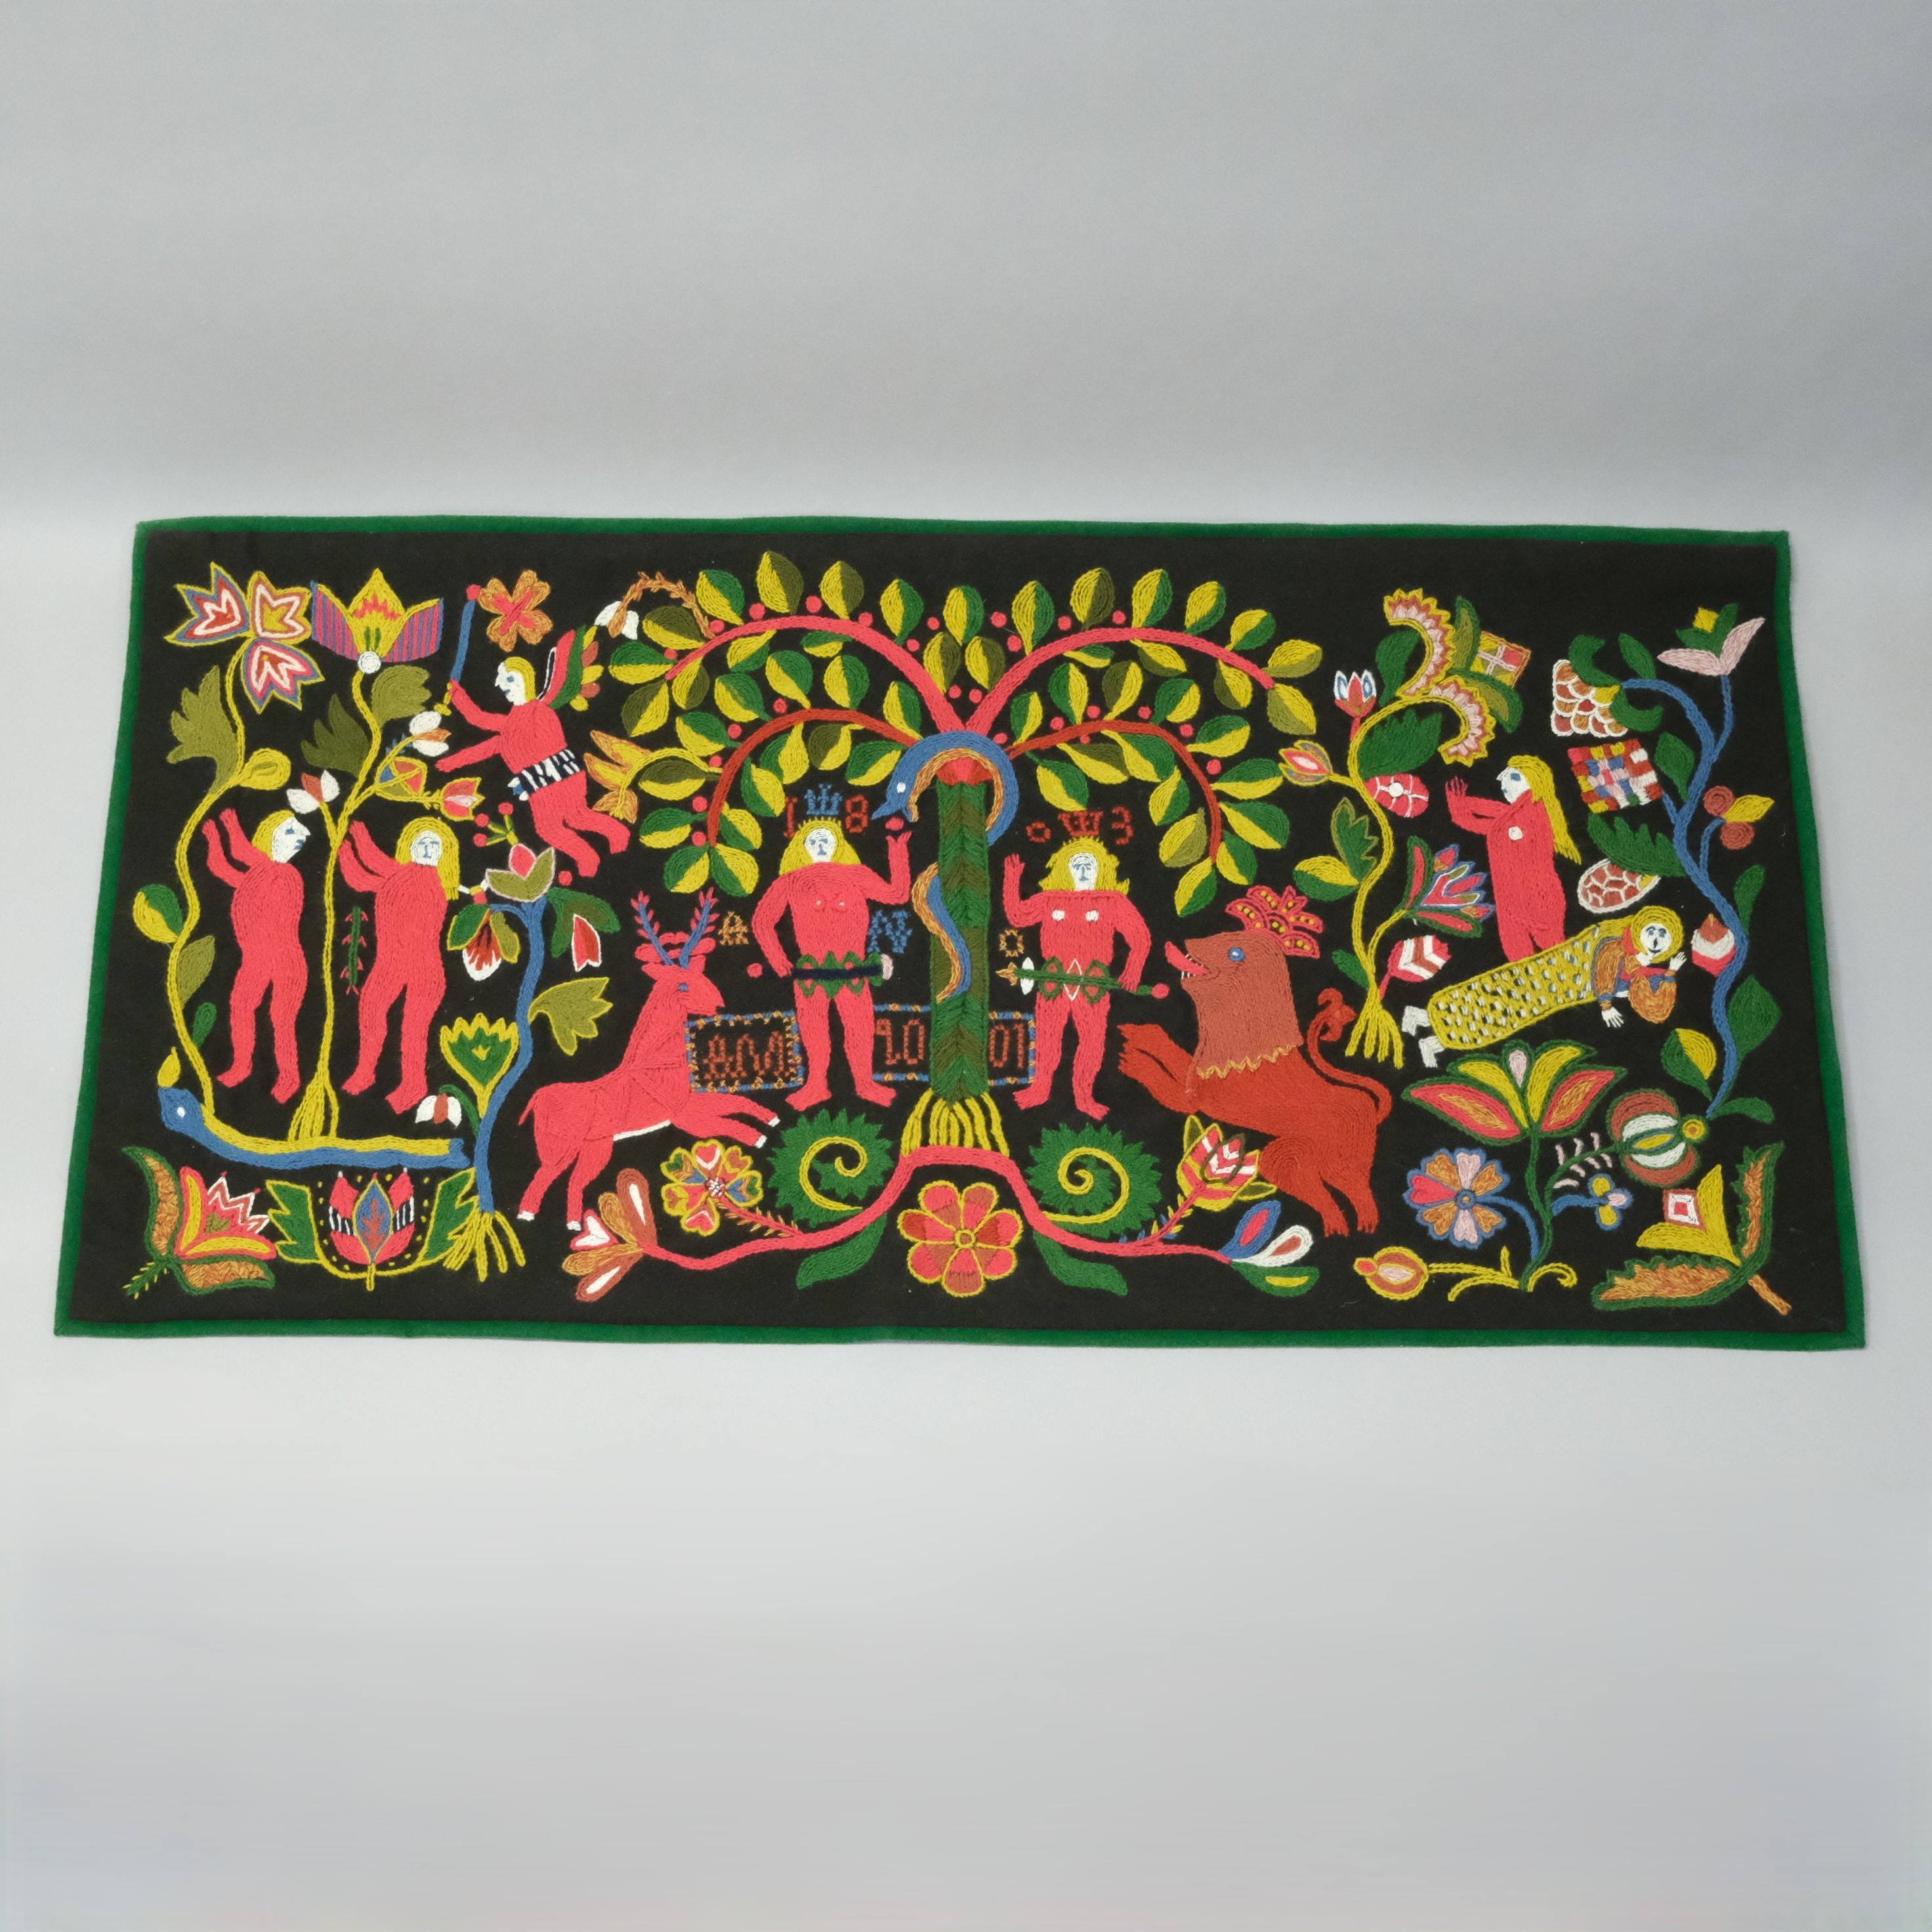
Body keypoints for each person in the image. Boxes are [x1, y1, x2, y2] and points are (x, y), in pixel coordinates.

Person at [751, 810, 912, 1108]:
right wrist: (779, 961)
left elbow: (898, 894)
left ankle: (866, 1084)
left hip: (853, 971)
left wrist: (897, 846)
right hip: (812, 975)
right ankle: (816, 1086)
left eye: (827, 839)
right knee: (814, 1033)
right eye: (814, 841)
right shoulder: (791, 881)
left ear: (838, 844)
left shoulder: (856, 875)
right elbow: (762, 921)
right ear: (803, 847)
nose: (821, 845)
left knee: (860, 1029)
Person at [1402, 908, 1687, 1063]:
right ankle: (1425, 1024)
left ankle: (1431, 1037)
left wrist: (1671, 973)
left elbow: (1649, 1001)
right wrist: (1606, 1005)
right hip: (1548, 982)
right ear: (1639, 928)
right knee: (1497, 996)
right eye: (1652, 930)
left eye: (1664, 935)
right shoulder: (1616, 946)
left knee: (1506, 1014)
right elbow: (1604, 971)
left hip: (1554, 996)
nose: (1656, 938)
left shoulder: (1644, 965)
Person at [1003, 837, 1150, 1120]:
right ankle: (1040, 1090)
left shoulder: (1112, 902)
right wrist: (1012, 879)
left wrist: (1133, 971)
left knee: (1093, 1040)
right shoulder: (1051, 899)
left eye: (1088, 865)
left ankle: (1084, 1097)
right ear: (1066, 869)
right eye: (1077, 865)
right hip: (1054, 981)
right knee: (1047, 1038)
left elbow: (1140, 938)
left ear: (1100, 868)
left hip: (1093, 984)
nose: (1083, 871)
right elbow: (1018, 916)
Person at [442, 656, 630, 877]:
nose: (504, 686)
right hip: (540, 784)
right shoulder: (511, 723)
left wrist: (528, 774)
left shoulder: (539, 712)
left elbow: (551, 748)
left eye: (510, 679)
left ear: (526, 680)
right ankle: (595, 852)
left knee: (572, 818)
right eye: (502, 681)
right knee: (557, 826)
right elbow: (480, 724)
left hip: (559, 778)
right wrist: (457, 697)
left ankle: (605, 846)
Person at [339, 816, 455, 1113]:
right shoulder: (396, 876)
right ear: (410, 847)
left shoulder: (429, 882)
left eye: (435, 845)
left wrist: (357, 834)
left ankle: (414, 1085)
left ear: (443, 855)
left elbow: (375, 861)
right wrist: (345, 850)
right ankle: (365, 1072)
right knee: (371, 1009)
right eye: (423, 842)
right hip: (390, 963)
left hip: (424, 968)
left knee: (413, 1028)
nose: (428, 848)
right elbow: (358, 879)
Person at [201, 806, 310, 1102]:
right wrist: (214, 837)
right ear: (270, 835)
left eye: (299, 837)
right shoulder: (259, 873)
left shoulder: (286, 875)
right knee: (241, 1007)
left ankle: (289, 1078)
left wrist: (230, 823)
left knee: (281, 1017)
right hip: (257, 959)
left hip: (286, 959)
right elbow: (222, 867)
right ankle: (241, 1066)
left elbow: (242, 852)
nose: (297, 841)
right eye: (290, 832)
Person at [1444, 756, 1579, 961]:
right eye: (1504, 780)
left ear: (1535, 780)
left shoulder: (1535, 813)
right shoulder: (1512, 814)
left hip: (1536, 899)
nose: (1506, 786)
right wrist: (1458, 804)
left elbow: (1490, 821)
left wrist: (1460, 805)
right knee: (1526, 959)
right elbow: (1485, 818)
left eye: (1514, 778)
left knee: (1553, 952)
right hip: (1512, 900)